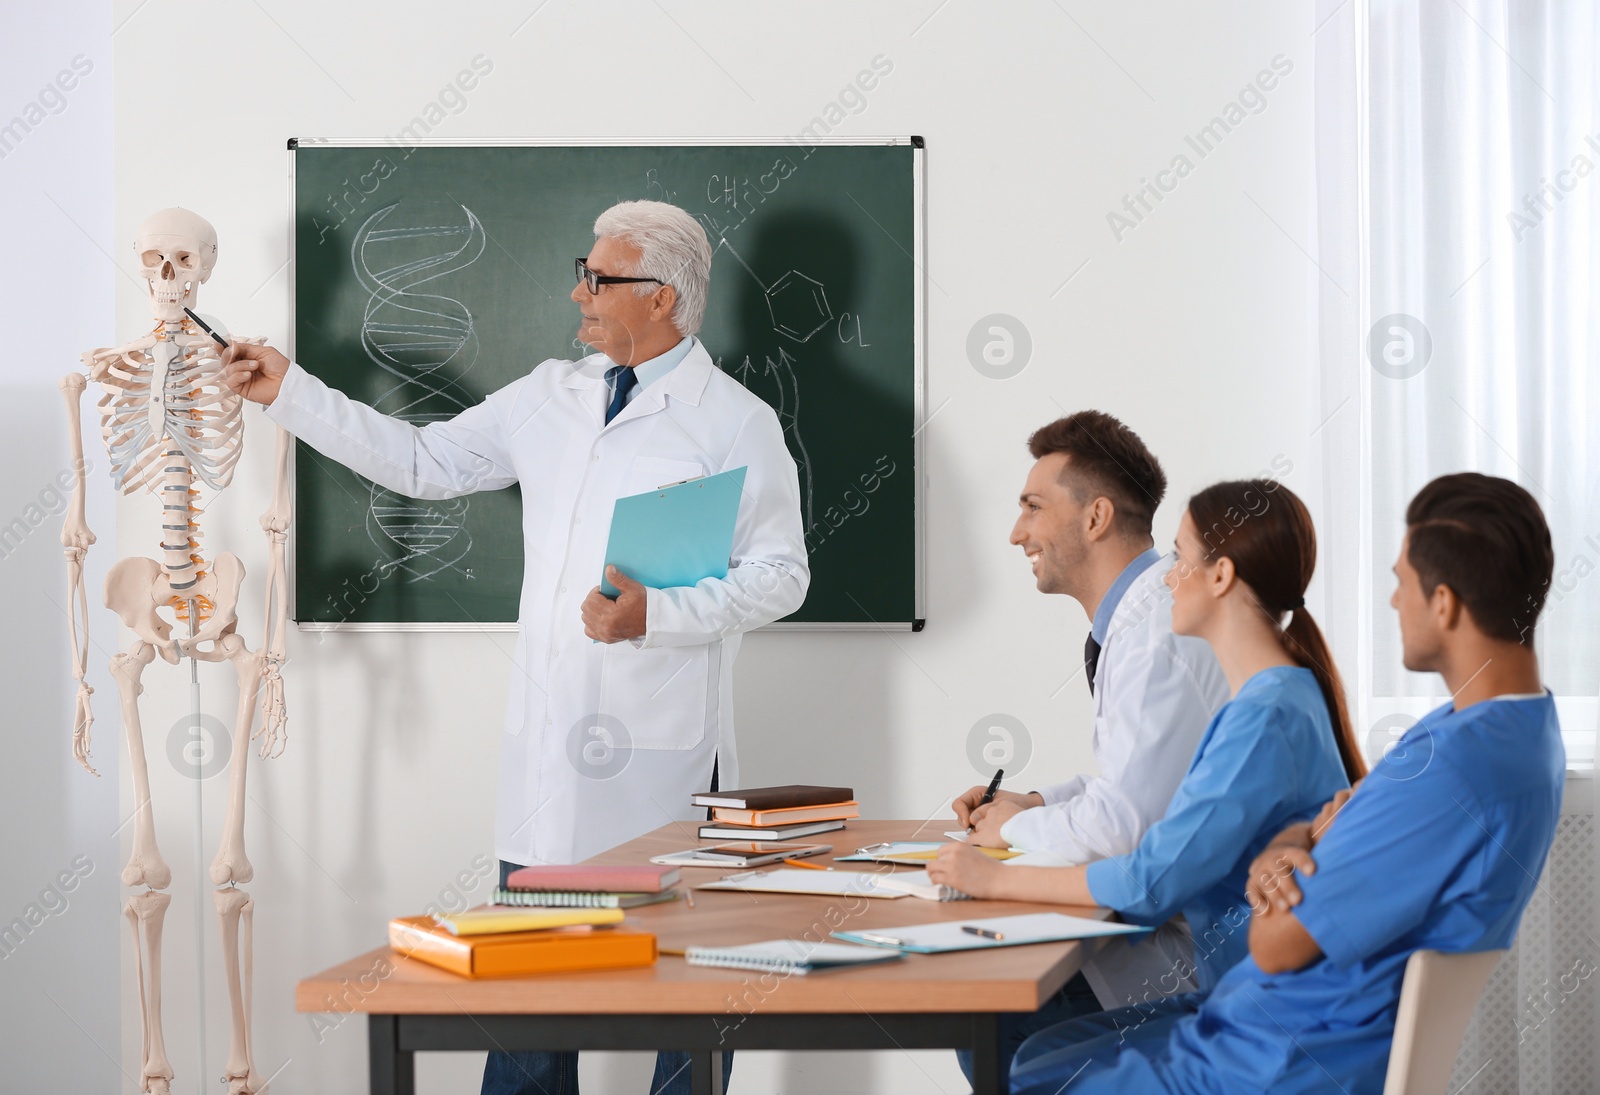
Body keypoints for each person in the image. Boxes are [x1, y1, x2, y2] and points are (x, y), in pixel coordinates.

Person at [224, 200, 807, 1095]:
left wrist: (661, 613)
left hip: (662, 766)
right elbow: (423, 462)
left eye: (600, 278)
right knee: (531, 1021)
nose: (579, 290)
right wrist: (289, 391)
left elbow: (782, 574)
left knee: (687, 1016)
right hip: (546, 762)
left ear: (661, 297)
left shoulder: (733, 421)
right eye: (585, 267)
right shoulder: (550, 394)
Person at [1007, 472, 1564, 1094]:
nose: (1392, 603)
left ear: (1444, 603)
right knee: (1039, 1052)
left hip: (1286, 1053)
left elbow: (1273, 944)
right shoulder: (1514, 731)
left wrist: (1293, 854)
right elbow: (1334, 824)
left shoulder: (1454, 766)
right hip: (1289, 1023)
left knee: (1033, 1071)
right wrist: (1296, 841)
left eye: (1400, 583)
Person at [934, 479, 1361, 1088]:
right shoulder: (1278, 696)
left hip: (1258, 1019)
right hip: (1244, 997)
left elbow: (1151, 880)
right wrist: (1036, 806)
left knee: (1029, 1069)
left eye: (1182, 559)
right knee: (1029, 1057)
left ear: (1220, 577)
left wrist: (995, 877)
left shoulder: (1264, 717)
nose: (1166, 578)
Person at [940, 413, 1231, 1081]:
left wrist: (1018, 826)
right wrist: (1036, 801)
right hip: (1167, 927)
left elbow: (1126, 828)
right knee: (983, 1010)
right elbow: (1140, 785)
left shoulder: (1157, 634)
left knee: (987, 1015)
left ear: (1096, 516)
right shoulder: (1139, 622)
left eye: (1033, 507)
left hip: (1185, 961)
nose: (1016, 533)